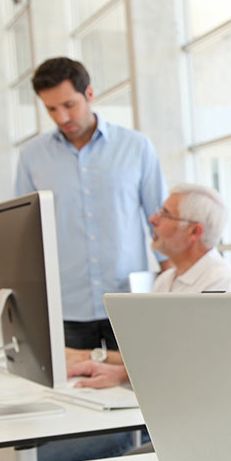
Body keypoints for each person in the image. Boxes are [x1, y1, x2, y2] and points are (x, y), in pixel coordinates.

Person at [15, 57, 168, 360]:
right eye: (51, 109)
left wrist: (175, 287)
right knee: (71, 392)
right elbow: (25, 232)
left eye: (69, 104)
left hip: (126, 298)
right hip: (66, 302)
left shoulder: (136, 147)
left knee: (137, 389)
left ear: (90, 94)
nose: (61, 117)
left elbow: (161, 222)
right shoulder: (32, 156)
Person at [67, 184, 231, 379]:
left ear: (194, 231)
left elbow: (199, 365)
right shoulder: (166, 280)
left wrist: (119, 374)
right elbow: (150, 356)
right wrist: (86, 356)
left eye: (165, 214)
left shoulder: (221, 282)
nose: (153, 219)